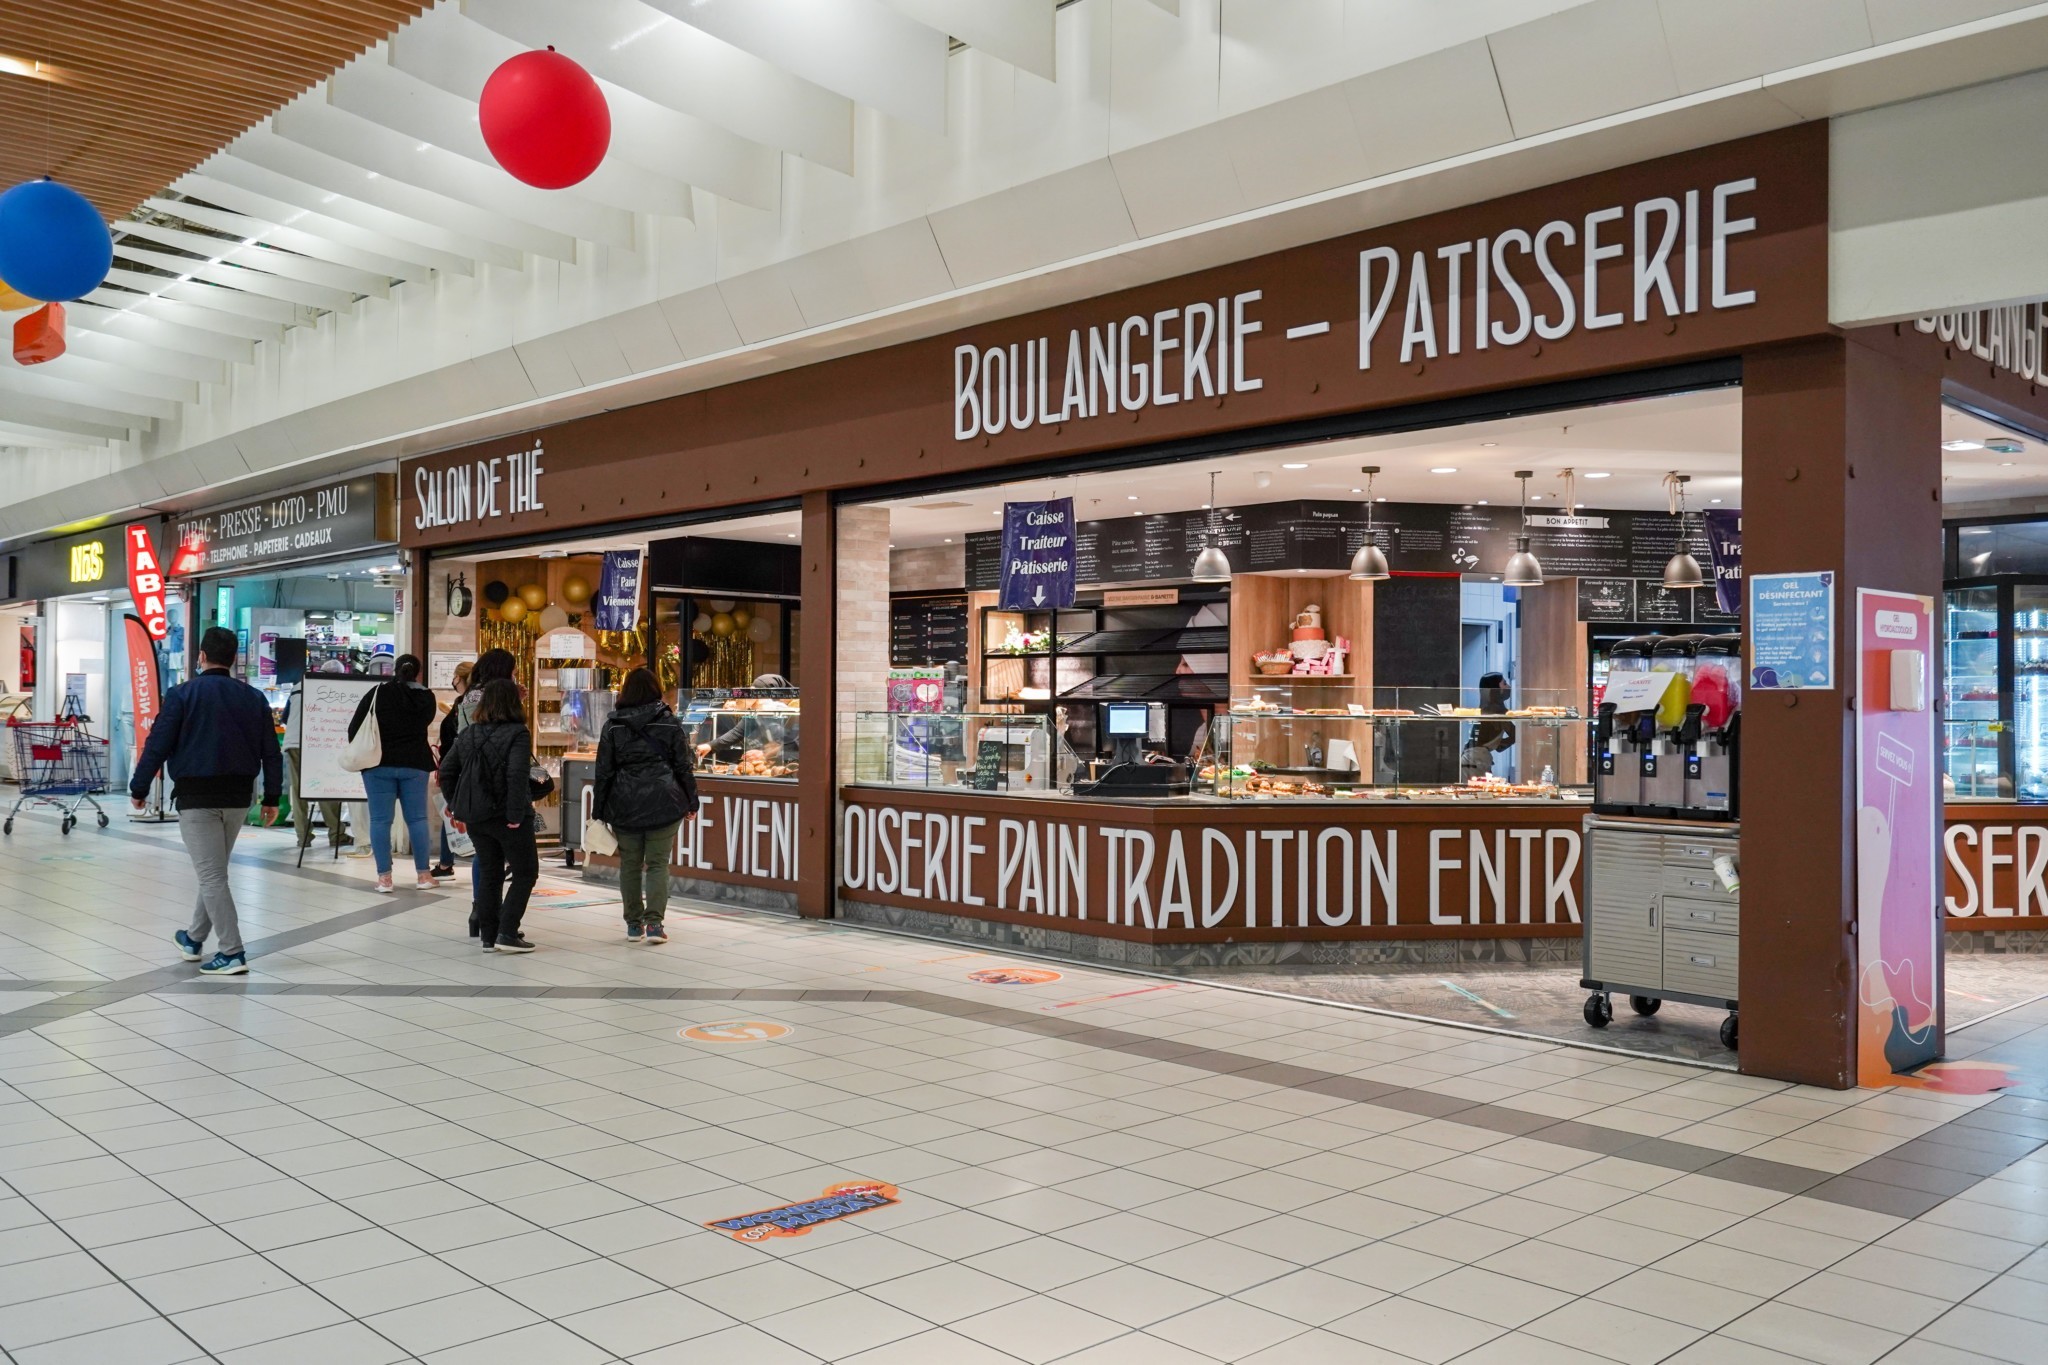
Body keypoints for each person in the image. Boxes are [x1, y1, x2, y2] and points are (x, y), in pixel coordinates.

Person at [129, 627, 283, 976]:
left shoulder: (182, 695)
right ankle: (194, 938)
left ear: (201, 656)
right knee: (213, 870)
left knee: (212, 875)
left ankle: (232, 952)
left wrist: (139, 789)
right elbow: (270, 752)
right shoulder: (254, 698)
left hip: (197, 797)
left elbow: (157, 745)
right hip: (239, 797)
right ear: (233, 660)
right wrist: (272, 796)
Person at [592, 667, 699, 946]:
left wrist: (599, 810)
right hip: (664, 802)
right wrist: (691, 800)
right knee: (657, 864)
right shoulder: (669, 722)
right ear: (656, 690)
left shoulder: (613, 725)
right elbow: (682, 766)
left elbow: (603, 771)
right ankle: (654, 925)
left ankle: (633, 925)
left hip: (624, 803)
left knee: (629, 864)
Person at [439, 678, 539, 953]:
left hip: (476, 817)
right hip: (508, 816)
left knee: (490, 872)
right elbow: (517, 774)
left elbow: (446, 772)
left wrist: (456, 804)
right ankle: (507, 931)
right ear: (513, 702)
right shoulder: (517, 732)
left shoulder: (468, 733)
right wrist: (516, 813)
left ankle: (488, 936)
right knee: (526, 872)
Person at [347, 654, 441, 894]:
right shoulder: (426, 697)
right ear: (418, 673)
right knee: (418, 819)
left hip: (378, 764)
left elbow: (355, 727)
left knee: (380, 821)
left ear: (394, 670)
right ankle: (424, 875)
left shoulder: (378, 693)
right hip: (415, 763)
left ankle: (385, 879)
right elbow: (425, 722)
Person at [444, 649, 517, 934]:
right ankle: (495, 918)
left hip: (473, 781)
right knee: (508, 858)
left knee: (484, 855)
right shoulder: (495, 698)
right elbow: (503, 735)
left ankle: (480, 913)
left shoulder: (469, 696)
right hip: (498, 782)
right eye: (511, 670)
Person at [281, 678, 346, 853]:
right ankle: (336, 834)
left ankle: (303, 837)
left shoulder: (298, 686)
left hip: (293, 743)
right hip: (318, 741)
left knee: (299, 790)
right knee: (325, 786)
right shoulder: (334, 687)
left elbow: (285, 718)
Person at [427, 660, 473, 877]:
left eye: (455, 676)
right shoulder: (461, 702)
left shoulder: (466, 703)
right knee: (450, 812)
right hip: (456, 767)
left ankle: (447, 862)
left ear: (461, 678)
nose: (453, 681)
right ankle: (446, 862)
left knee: (454, 811)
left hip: (461, 768)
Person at [1460, 671, 1516, 781]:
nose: (1508, 687)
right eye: (1504, 683)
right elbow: (1515, 734)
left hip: (1475, 758)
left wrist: (1499, 744)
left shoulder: (1487, 708)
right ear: (1494, 689)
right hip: (1476, 759)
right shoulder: (1496, 710)